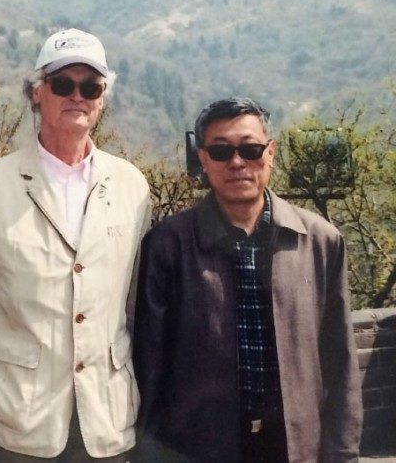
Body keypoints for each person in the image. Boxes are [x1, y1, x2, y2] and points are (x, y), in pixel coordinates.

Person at [0, 28, 152, 462]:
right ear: (37, 92)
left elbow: (137, 306)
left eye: (90, 86)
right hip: (19, 423)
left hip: (108, 421)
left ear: (101, 98)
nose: (76, 95)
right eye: (63, 84)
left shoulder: (132, 186)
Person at [133, 97, 362, 462]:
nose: (237, 162)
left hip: (296, 446)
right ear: (203, 159)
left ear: (270, 153)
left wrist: (343, 452)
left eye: (251, 149)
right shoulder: (168, 245)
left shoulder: (320, 240)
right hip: (198, 447)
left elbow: (340, 361)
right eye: (221, 151)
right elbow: (149, 364)